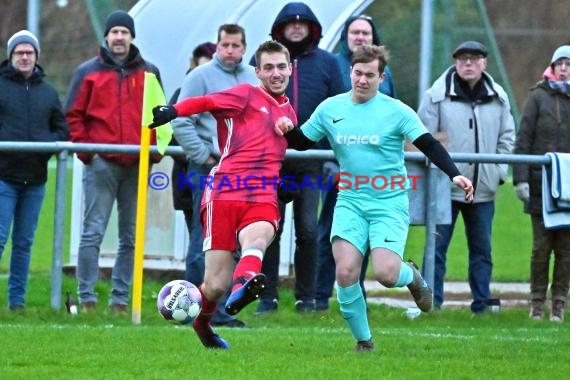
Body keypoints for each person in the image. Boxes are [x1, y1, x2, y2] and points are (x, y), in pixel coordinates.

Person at [279, 45, 474, 351]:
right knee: (345, 272)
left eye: (370, 75)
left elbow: (428, 145)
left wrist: (454, 174)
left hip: (389, 201)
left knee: (385, 273)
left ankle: (412, 278)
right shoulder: (331, 108)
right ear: (350, 73)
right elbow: (303, 142)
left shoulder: (396, 111)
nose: (363, 80)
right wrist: (287, 131)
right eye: (358, 73)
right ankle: (364, 341)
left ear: (381, 77)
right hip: (350, 200)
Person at [151, 40, 296, 349]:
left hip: (262, 194)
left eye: (281, 66)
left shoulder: (289, 111)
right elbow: (205, 102)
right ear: (257, 72)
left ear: (290, 69)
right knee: (215, 284)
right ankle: (204, 325)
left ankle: (244, 285)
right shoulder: (245, 94)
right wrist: (173, 110)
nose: (276, 73)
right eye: (268, 67)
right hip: (225, 191)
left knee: (257, 240)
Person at [65, 10, 162, 314]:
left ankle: (120, 299)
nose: (119, 37)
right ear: (106, 37)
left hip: (136, 164)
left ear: (132, 36)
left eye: (124, 32)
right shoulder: (87, 72)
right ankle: (87, 297)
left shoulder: (150, 73)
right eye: (114, 32)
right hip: (102, 165)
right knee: (93, 231)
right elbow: (73, 115)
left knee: (130, 236)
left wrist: (154, 152)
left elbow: (160, 115)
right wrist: (88, 153)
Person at [252, 1, 345, 315]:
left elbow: (339, 110)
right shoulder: (266, 60)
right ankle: (268, 298)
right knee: (269, 230)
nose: (296, 27)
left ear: (311, 28)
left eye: (301, 23)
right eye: (290, 23)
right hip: (271, 161)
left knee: (307, 230)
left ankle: (307, 298)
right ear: (280, 28)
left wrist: (334, 156)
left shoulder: (328, 63)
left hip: (310, 161)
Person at [417, 40, 515, 313]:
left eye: (474, 58)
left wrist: (497, 172)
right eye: (462, 59)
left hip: (483, 188)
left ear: (484, 62)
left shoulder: (499, 97)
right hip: (445, 189)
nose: (468, 63)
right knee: (435, 249)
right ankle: (431, 302)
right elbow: (423, 137)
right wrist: (440, 173)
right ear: (455, 62)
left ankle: (482, 303)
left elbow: (507, 137)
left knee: (482, 250)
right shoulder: (436, 95)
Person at [172, 24, 258, 328]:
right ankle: (195, 308)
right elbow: (180, 120)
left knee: (231, 243)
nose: (231, 51)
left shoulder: (253, 78)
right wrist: (202, 155)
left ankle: (219, 312)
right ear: (217, 46)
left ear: (245, 48)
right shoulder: (200, 77)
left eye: (236, 45)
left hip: (242, 172)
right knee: (203, 241)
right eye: (225, 45)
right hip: (208, 170)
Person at [315, 14, 398, 311]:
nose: (360, 37)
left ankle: (355, 292)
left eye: (365, 32)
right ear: (345, 37)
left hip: (375, 177)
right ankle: (320, 294)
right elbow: (322, 119)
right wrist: (330, 163)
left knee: (364, 238)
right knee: (330, 231)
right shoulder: (331, 64)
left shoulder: (384, 75)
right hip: (337, 168)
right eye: (354, 32)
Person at [0, 30, 69, 310]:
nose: (25, 57)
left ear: (36, 56)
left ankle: (17, 301)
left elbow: (61, 130)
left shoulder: (48, 92)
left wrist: (45, 148)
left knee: (24, 242)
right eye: (19, 52)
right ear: (11, 56)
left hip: (36, 180)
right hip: (3, 178)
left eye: (29, 52)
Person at [513, 45, 570, 322]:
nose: (563, 68)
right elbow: (523, 139)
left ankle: (559, 303)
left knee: (566, 249)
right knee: (541, 247)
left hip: (569, 189)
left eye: (568, 64)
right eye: (559, 63)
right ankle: (536, 303)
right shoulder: (537, 97)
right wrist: (520, 179)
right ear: (552, 66)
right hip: (541, 186)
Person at [169, 42, 216, 237]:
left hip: (221, 175)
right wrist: (201, 156)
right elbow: (171, 135)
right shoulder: (181, 95)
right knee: (198, 234)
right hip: (189, 176)